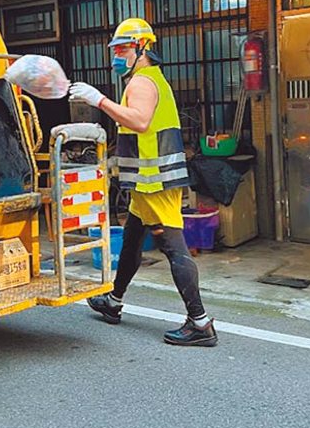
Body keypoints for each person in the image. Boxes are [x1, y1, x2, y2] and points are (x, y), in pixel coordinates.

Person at [68, 18, 217, 347]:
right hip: (148, 181)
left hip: (155, 181)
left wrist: (99, 101)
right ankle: (114, 301)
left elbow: (139, 120)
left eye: (122, 49)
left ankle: (200, 322)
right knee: (133, 239)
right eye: (115, 50)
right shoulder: (150, 80)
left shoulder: (141, 82)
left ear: (142, 49)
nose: (116, 56)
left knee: (173, 246)